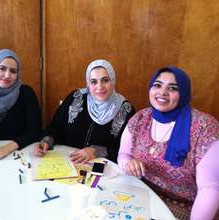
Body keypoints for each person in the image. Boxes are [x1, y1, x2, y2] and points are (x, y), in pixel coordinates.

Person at [117, 66, 219, 220]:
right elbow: (123, 154)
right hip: (144, 196)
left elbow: (210, 189)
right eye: (157, 85)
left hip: (188, 209)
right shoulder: (140, 118)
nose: (162, 92)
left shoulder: (205, 128)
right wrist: (127, 163)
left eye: (172, 88)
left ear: (183, 93)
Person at [35, 59, 135, 163]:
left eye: (105, 80)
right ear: (88, 83)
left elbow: (126, 150)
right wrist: (46, 141)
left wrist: (96, 151)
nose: (99, 87)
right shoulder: (75, 98)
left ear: (113, 80)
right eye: (93, 82)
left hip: (101, 168)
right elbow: (55, 128)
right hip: (66, 162)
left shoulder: (125, 110)